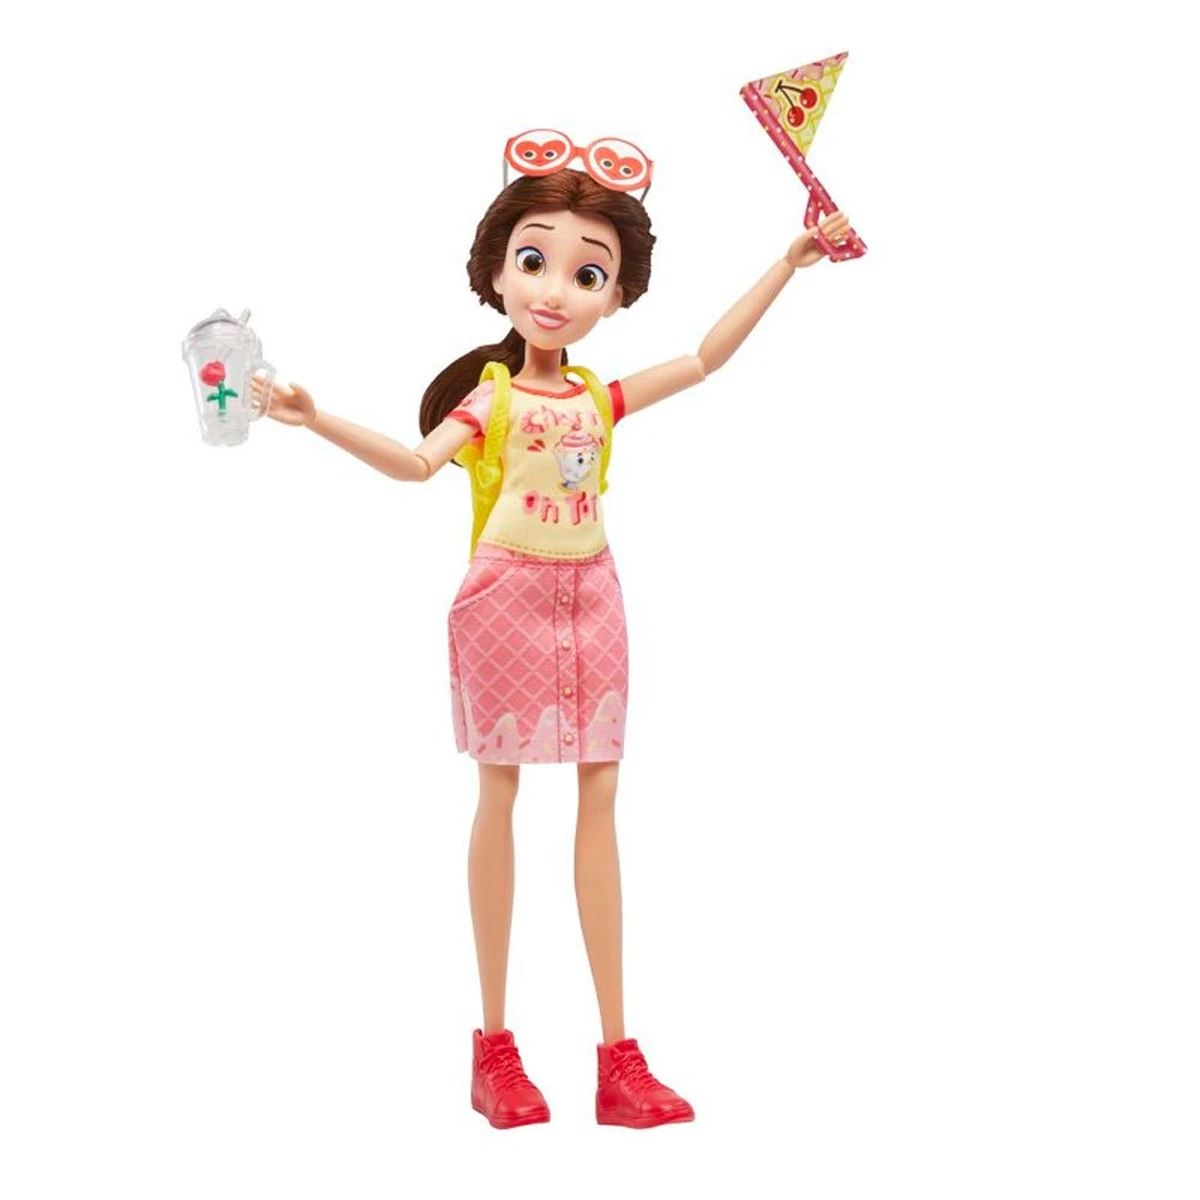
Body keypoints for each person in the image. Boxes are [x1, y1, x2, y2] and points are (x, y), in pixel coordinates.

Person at [254, 129, 850, 1129]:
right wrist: (315, 419)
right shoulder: (489, 402)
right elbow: (414, 464)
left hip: (595, 597)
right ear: (496, 271)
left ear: (615, 294)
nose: (556, 290)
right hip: (504, 602)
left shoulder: (599, 400)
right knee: (501, 797)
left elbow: (704, 359)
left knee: (599, 799)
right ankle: (494, 1048)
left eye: (587, 273)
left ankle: (618, 1056)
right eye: (534, 261)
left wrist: (787, 263)